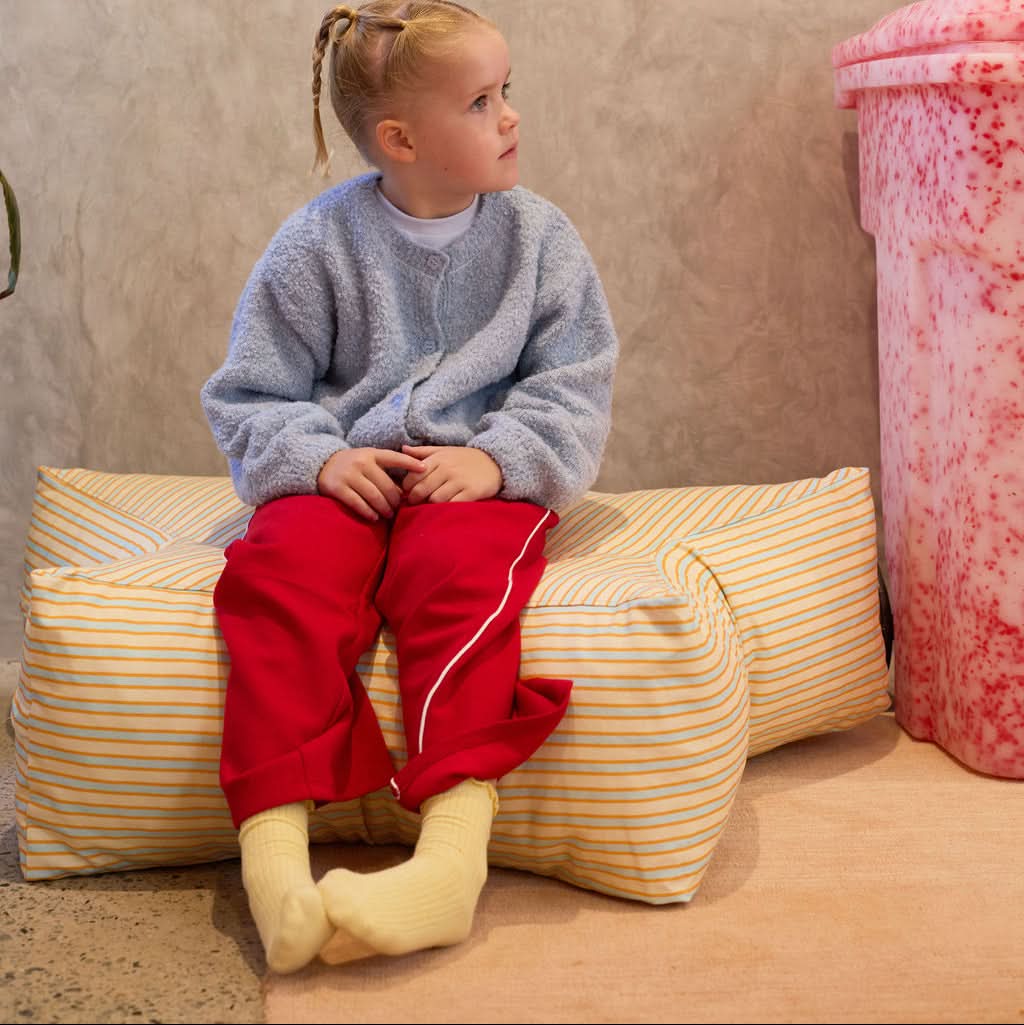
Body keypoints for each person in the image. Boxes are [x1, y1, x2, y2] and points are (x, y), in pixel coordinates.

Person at [200, 0, 618, 974]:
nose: (510, 115)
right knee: (277, 572)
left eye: (505, 91)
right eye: (481, 101)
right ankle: (276, 865)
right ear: (401, 139)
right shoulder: (315, 245)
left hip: (471, 479)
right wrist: (316, 458)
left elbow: (575, 379)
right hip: (343, 475)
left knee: (458, 576)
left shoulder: (541, 243)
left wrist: (503, 457)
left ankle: (447, 862)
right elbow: (251, 389)